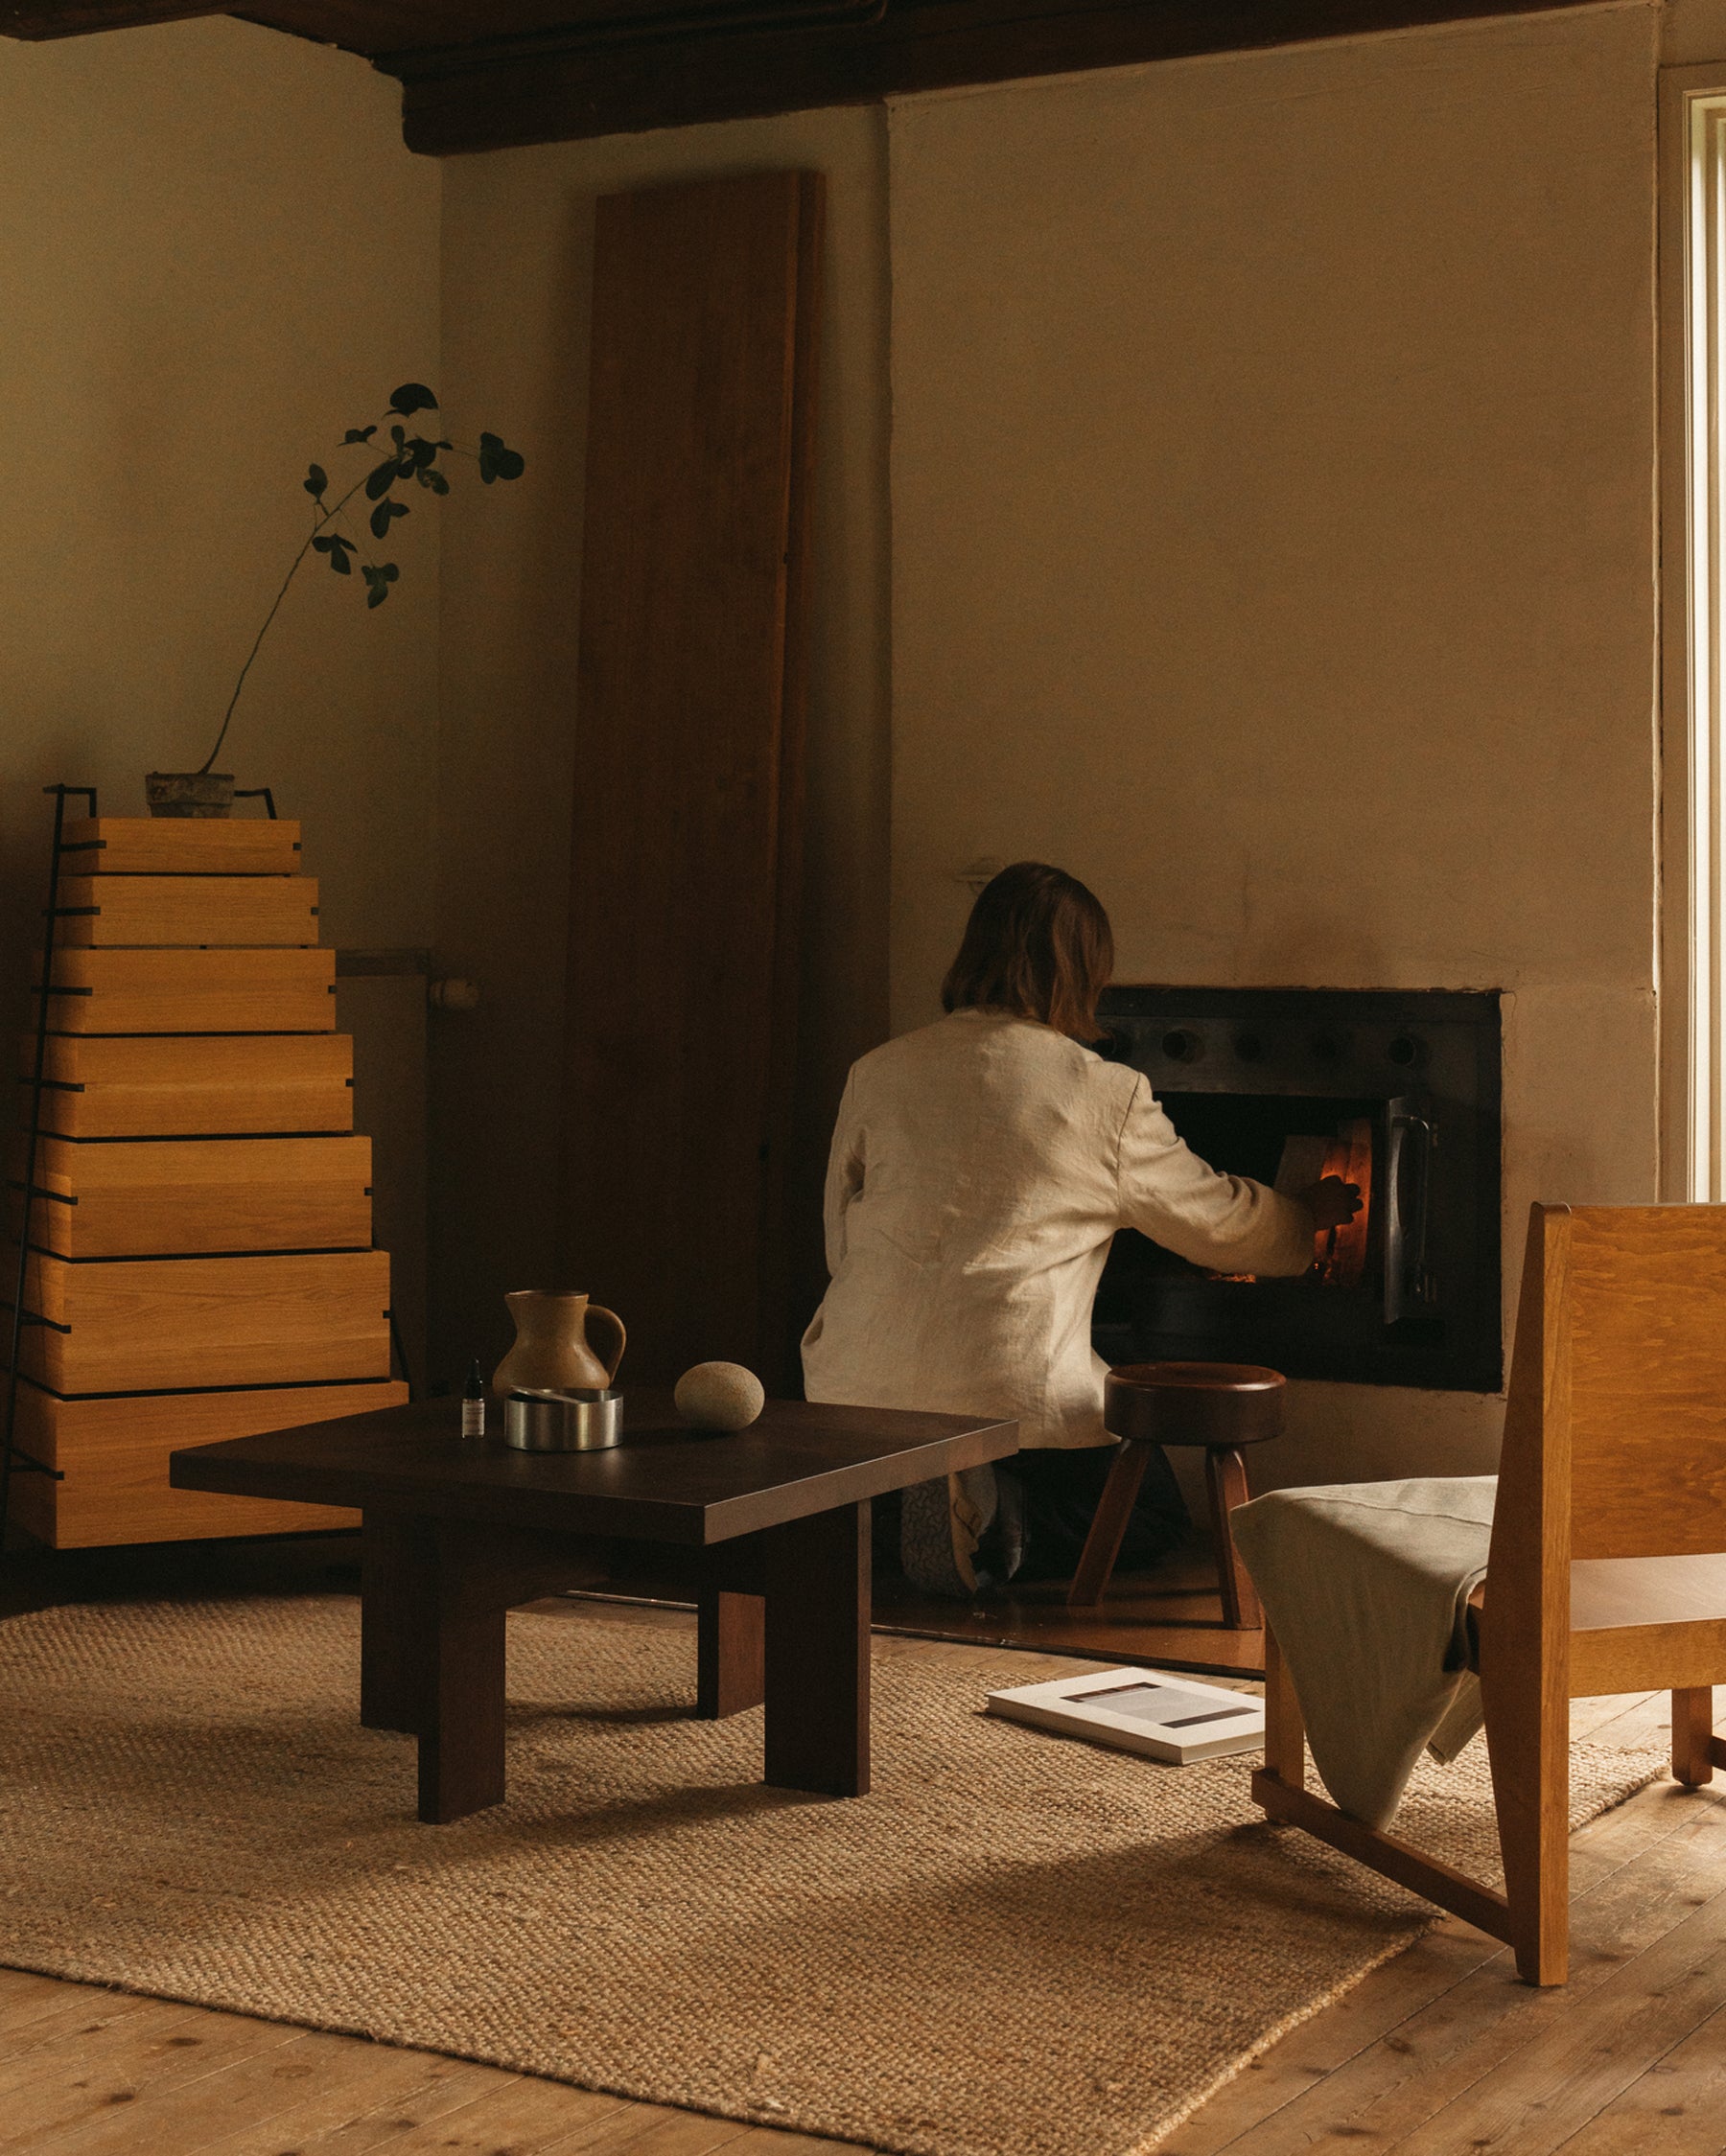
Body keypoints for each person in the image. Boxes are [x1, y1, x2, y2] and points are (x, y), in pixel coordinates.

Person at [801, 862, 1362, 1598]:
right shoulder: (1101, 1093)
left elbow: (839, 1239)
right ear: (1084, 970)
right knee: (1154, 1514)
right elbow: (1219, 1224)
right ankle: (996, 1516)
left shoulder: (876, 1070)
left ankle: (894, 1521)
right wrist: (1304, 1221)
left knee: (890, 1482)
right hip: (1003, 1393)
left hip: (853, 1386)